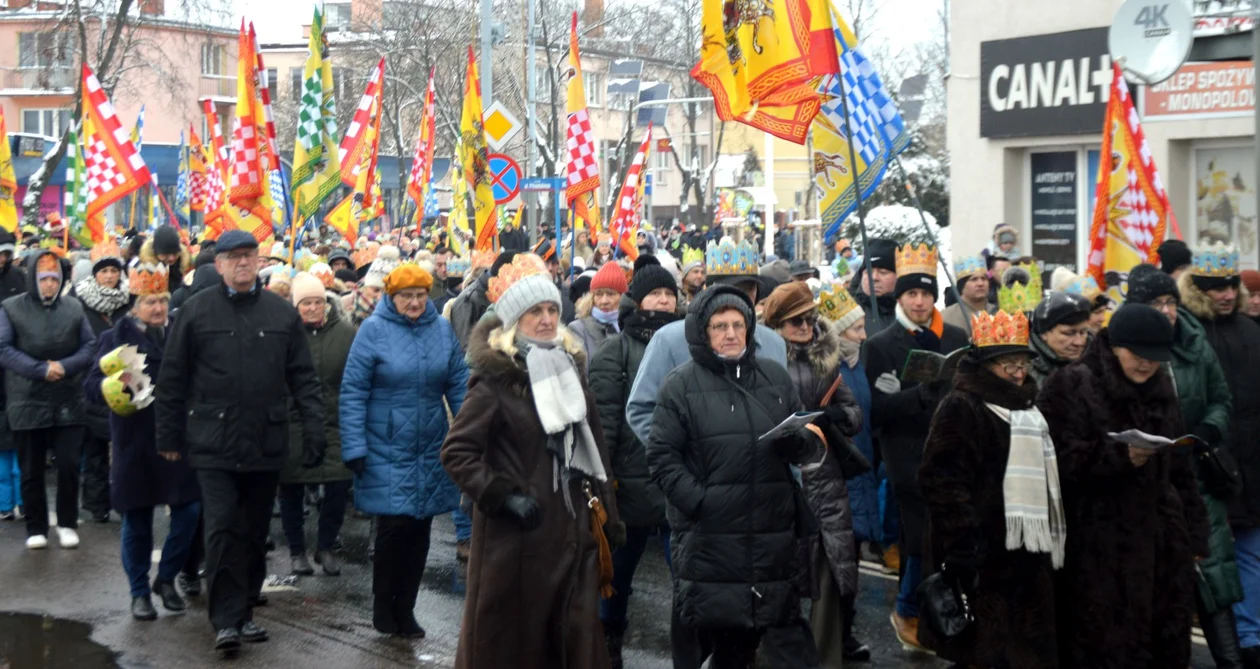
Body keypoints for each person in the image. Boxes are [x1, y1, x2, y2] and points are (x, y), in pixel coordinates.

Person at [442, 255, 622, 669]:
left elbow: (598, 456)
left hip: (573, 536)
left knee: (570, 645)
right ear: (513, 321)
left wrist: (611, 520)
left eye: (551, 310)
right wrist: (503, 497)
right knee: (515, 650)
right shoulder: (495, 381)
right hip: (517, 544)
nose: (545, 319)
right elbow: (457, 452)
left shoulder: (571, 371)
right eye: (534, 312)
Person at [155, 230, 327, 656]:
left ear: (258, 261)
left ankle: (246, 609)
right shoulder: (196, 312)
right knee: (221, 528)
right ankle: (226, 620)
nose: (243, 264)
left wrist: (314, 430)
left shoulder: (281, 314)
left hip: (265, 440)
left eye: (249, 256)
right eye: (234, 258)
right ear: (220, 265)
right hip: (211, 441)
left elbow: (303, 379)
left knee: (253, 531)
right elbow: (172, 379)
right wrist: (169, 438)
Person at [648, 284, 823, 669]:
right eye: (719, 326)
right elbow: (662, 457)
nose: (730, 334)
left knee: (785, 636)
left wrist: (799, 442)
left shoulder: (775, 377)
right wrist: (700, 501)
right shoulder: (681, 384)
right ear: (703, 333)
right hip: (714, 540)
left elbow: (804, 440)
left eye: (738, 325)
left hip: (770, 536)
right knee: (726, 643)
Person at [1038, 303, 1208, 667]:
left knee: (1162, 642)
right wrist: (1116, 458)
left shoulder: (1162, 388)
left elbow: (1182, 471)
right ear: (1114, 345)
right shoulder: (1071, 383)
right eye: (1138, 354)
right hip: (1097, 546)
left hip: (1161, 544)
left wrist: (1194, 532)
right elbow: (1052, 462)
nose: (1146, 364)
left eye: (1155, 357)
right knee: (1104, 647)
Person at [917, 308, 1063, 667]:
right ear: (984, 366)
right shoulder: (962, 406)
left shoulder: (1030, 410)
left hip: (1026, 558)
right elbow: (942, 482)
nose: (1017, 373)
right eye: (1007, 365)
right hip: (982, 559)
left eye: (1022, 363)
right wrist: (963, 549)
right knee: (986, 655)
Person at [340, 262, 469, 637]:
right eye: (406, 296)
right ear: (391, 297)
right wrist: (355, 445)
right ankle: (384, 606)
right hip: (385, 443)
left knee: (420, 528)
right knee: (393, 528)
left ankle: (407, 609)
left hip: (429, 442)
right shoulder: (373, 331)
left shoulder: (441, 330)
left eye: (420, 295)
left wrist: (468, 433)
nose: (414, 303)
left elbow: (459, 385)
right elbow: (353, 391)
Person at [1128, 262, 1244, 667]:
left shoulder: (1196, 342)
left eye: (1171, 301)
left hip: (1197, 477)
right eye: (1155, 302)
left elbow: (1220, 400)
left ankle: (1232, 663)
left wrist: (1208, 432)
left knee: (1215, 582)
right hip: (1150, 480)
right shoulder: (1126, 347)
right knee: (1158, 592)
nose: (1167, 311)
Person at [862, 242, 968, 652]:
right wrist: (921, 394)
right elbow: (877, 410)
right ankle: (908, 608)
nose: (919, 301)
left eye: (925, 293)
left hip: (951, 449)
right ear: (900, 297)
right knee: (923, 532)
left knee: (947, 533)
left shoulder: (956, 336)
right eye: (911, 294)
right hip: (905, 454)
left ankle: (937, 611)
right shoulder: (881, 344)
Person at [82, 263, 201, 621]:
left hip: (176, 438)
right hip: (134, 440)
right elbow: (89, 388)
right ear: (135, 303)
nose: (158, 308)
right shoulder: (114, 338)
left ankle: (165, 579)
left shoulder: (179, 333)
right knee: (136, 519)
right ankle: (138, 593)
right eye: (150, 301)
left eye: (162, 300)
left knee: (190, 510)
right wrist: (114, 387)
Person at [761, 281, 871, 666]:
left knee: (829, 574)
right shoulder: (762, 361)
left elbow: (854, 412)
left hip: (825, 478)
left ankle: (826, 658)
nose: (805, 326)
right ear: (776, 324)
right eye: (795, 320)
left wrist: (837, 416)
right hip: (781, 478)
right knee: (784, 576)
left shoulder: (827, 356)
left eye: (809, 317)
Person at [588, 264, 682, 667]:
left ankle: (690, 651)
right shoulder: (616, 351)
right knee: (616, 577)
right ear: (638, 299)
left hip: (677, 479)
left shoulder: (688, 343)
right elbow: (604, 424)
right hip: (628, 482)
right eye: (655, 293)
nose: (664, 300)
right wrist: (605, 481)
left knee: (688, 576)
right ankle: (608, 646)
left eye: (669, 293)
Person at [1176, 244, 1260, 665]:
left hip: (1254, 462)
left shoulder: (1251, 330)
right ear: (1197, 289)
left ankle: (1251, 638)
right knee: (1215, 560)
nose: (1226, 294)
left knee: (1251, 551)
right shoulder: (1187, 334)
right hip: (1210, 462)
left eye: (1230, 286)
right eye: (1215, 288)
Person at [626, 238, 787, 449]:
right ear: (709, 291)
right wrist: (679, 460)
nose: (738, 297)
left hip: (764, 475)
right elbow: (641, 409)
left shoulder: (774, 343)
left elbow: (785, 409)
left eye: (748, 289)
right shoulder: (670, 340)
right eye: (731, 288)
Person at [0, 249, 96, 550]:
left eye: (54, 278)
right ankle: (36, 527)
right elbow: (4, 348)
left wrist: (65, 367)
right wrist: (40, 370)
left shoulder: (74, 308)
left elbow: (89, 344)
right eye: (44, 278)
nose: (50, 284)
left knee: (68, 465)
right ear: (33, 279)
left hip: (67, 397)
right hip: (27, 398)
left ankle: (67, 523)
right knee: (31, 469)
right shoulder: (11, 308)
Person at [277, 273, 356, 578]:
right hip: (293, 422)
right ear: (296, 306)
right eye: (306, 303)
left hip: (335, 421)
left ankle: (325, 547)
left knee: (338, 483)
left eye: (318, 302)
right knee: (292, 487)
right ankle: (297, 550)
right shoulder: (284, 334)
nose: (312, 308)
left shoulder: (345, 333)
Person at [73, 247, 131, 524]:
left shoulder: (130, 300)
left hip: (126, 382)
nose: (109, 276)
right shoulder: (78, 301)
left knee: (124, 448)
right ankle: (97, 505)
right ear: (95, 274)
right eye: (104, 271)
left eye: (113, 271)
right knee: (95, 450)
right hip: (92, 382)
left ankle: (124, 499)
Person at [0, 230, 24, 522]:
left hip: (17, 366)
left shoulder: (17, 279)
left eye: (5, 254)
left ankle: (25, 500)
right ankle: (6, 503)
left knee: (21, 445)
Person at [1027, 291, 1092, 388]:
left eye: (1083, 332)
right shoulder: (1022, 372)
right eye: (1069, 333)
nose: (1079, 342)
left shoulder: (1100, 361)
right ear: (1044, 333)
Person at [570, 262, 627, 361]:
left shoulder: (630, 326)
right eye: (599, 294)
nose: (604, 301)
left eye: (610, 294)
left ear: (622, 296)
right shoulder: (578, 329)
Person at [847, 237, 898, 335]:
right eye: (868, 272)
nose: (874, 278)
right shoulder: (847, 314)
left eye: (883, 272)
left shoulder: (913, 311)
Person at [342, 246, 399, 329]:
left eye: (388, 292)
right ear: (365, 287)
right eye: (376, 290)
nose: (380, 297)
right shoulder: (345, 311)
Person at [941, 254, 995, 334]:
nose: (980, 283)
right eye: (974, 279)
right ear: (962, 286)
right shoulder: (946, 317)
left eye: (983, 279)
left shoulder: (997, 311)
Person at [142, 225, 192, 294]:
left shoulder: (184, 266)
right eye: (166, 254)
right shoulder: (144, 270)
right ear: (155, 252)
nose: (171, 258)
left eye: (175, 253)